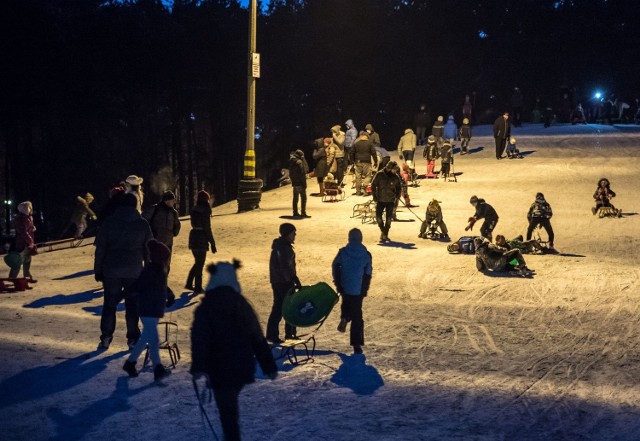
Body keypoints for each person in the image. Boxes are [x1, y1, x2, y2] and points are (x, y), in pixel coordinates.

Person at [191, 260, 277, 441]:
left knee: (228, 414)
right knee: (229, 410)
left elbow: (200, 339)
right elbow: (257, 337)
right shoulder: (242, 305)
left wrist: (198, 366)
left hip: (218, 368)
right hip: (241, 366)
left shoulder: (205, 308)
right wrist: (268, 366)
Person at [94, 193, 153, 350]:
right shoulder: (142, 224)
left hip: (111, 270)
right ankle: (133, 338)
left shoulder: (109, 222)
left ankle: (106, 337)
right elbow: (149, 249)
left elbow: (100, 249)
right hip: (134, 271)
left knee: (109, 305)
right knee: (132, 305)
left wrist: (98, 269)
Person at [122, 239, 174, 381]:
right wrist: (123, 294)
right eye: (165, 257)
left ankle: (130, 363)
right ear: (159, 258)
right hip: (147, 309)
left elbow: (162, 286)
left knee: (145, 338)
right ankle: (158, 369)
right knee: (154, 340)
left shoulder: (159, 271)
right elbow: (138, 285)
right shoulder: (150, 270)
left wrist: (169, 295)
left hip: (154, 309)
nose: (167, 260)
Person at [333, 229, 372, 355]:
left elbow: (335, 266)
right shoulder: (366, 254)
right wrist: (365, 288)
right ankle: (356, 344)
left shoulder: (343, 252)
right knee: (357, 314)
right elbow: (368, 273)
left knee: (346, 302)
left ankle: (345, 316)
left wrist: (338, 283)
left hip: (345, 286)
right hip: (358, 288)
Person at [267, 223, 300, 343]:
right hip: (282, 282)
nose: (295, 235)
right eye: (293, 233)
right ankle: (285, 334)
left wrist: (294, 277)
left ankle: (285, 333)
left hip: (279, 281)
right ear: (287, 234)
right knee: (286, 308)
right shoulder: (283, 248)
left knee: (281, 308)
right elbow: (284, 266)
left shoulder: (282, 246)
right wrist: (291, 279)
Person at [186, 190, 217, 294]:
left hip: (193, 236)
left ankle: (189, 282)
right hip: (201, 238)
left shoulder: (194, 209)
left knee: (198, 262)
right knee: (200, 264)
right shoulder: (205, 211)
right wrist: (212, 243)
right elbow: (207, 228)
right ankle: (198, 287)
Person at [147, 190, 181, 271]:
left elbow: (177, 224)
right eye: (173, 200)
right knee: (156, 264)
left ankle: (163, 281)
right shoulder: (155, 209)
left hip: (168, 243)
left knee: (166, 265)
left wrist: (174, 233)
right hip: (156, 242)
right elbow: (145, 221)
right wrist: (151, 233)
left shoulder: (173, 212)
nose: (174, 202)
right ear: (168, 200)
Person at [371, 161, 402, 242]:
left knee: (388, 219)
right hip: (380, 199)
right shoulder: (379, 175)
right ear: (389, 168)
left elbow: (399, 187)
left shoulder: (396, 177)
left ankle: (385, 234)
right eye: (394, 169)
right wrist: (374, 196)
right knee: (378, 218)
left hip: (390, 201)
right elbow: (373, 185)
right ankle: (383, 231)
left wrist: (397, 196)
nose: (395, 171)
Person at [9, 201, 38, 283]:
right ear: (24, 209)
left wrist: (32, 228)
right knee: (18, 261)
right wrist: (30, 241)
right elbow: (23, 232)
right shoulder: (21, 218)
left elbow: (27, 229)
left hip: (27, 243)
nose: (30, 209)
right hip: (22, 243)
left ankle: (27, 277)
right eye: (28, 207)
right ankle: (12, 278)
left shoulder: (27, 218)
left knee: (27, 260)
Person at [352, 131, 378, 196]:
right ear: (367, 137)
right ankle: (364, 188)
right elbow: (374, 153)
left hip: (357, 161)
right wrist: (375, 161)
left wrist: (353, 161)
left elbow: (351, 152)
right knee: (368, 175)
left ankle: (358, 191)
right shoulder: (370, 143)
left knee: (358, 176)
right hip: (367, 161)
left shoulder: (356, 143)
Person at [288, 149, 310, 218]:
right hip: (300, 182)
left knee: (295, 198)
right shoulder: (299, 162)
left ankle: (295, 212)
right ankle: (303, 212)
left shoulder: (291, 161)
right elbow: (305, 170)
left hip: (294, 183)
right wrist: (304, 184)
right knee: (303, 198)